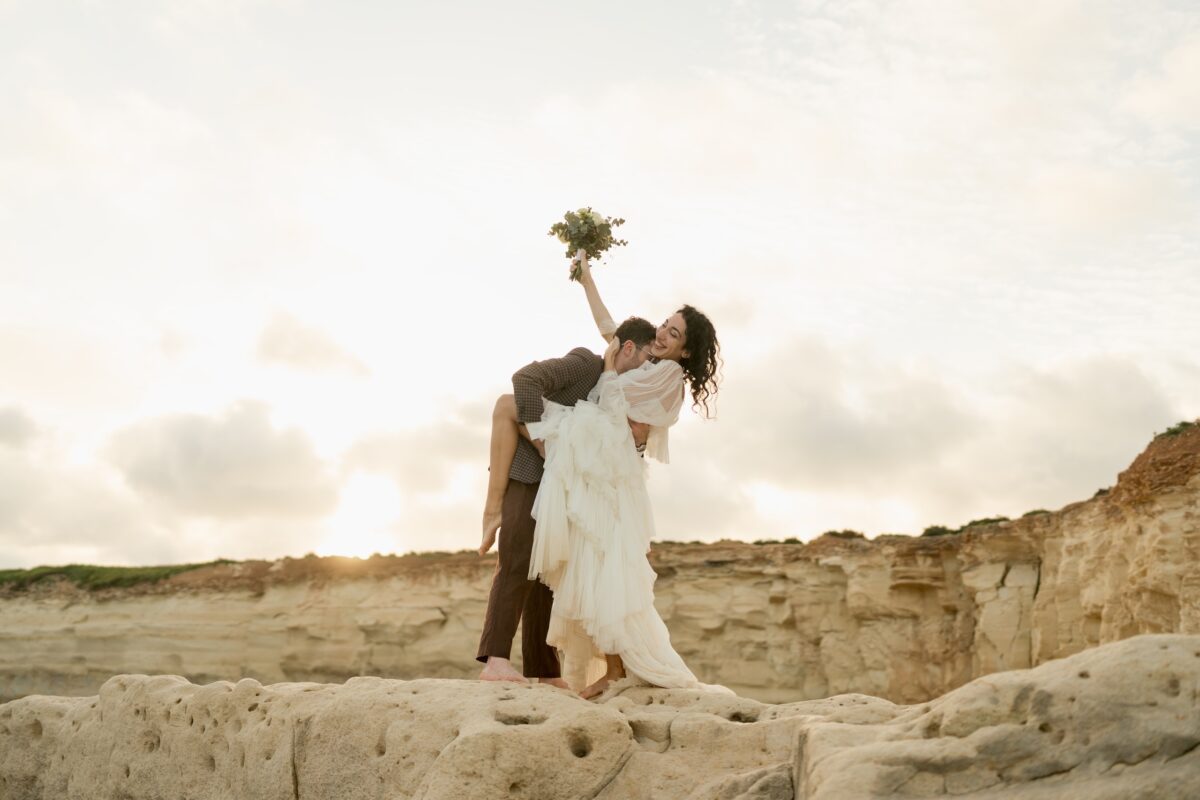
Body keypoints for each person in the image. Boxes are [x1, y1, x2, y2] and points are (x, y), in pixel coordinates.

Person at [528, 251, 723, 698]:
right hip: (604, 469)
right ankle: (614, 667)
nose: (662, 334)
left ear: (686, 350)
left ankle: (617, 669)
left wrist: (609, 367)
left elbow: (618, 399)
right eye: (665, 325)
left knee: (605, 564)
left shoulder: (669, 376)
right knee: (595, 562)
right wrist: (587, 280)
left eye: (673, 333)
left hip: (614, 478)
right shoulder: (652, 363)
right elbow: (610, 331)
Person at [475, 316, 658, 687]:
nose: (647, 368)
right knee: (517, 559)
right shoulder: (584, 364)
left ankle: (545, 672)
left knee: (547, 573)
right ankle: (495, 661)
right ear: (628, 348)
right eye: (646, 358)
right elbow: (525, 379)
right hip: (528, 473)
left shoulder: (615, 390)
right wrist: (541, 442)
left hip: (562, 489)